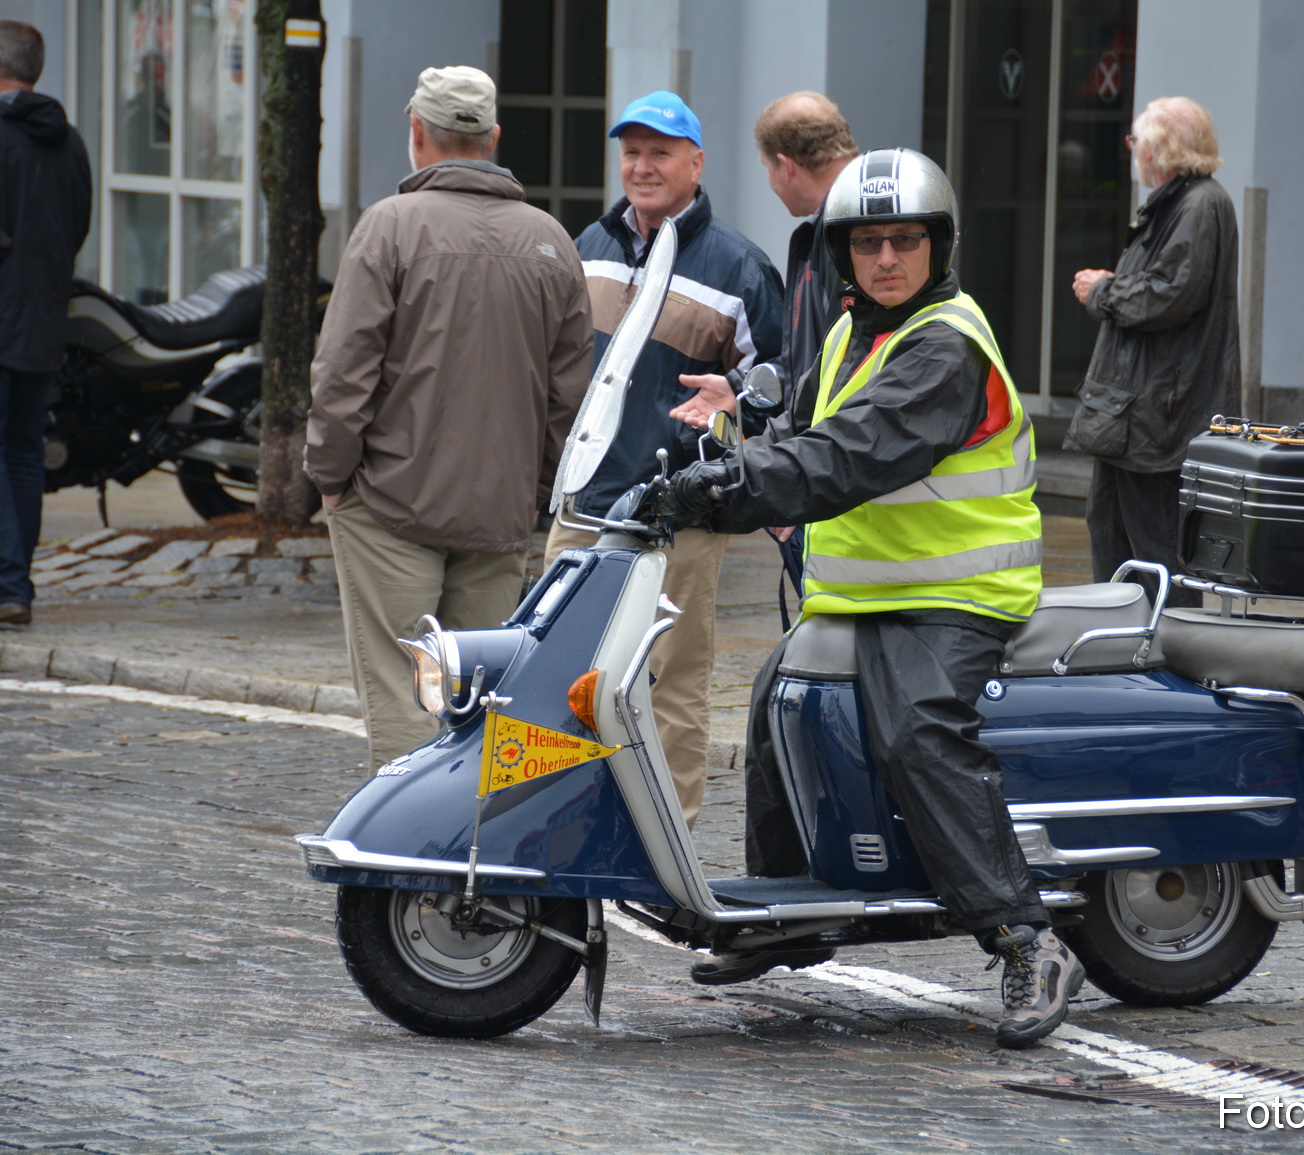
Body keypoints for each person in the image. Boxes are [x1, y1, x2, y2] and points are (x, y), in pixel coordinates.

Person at [658, 148, 1083, 1050]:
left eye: (905, 241)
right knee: (779, 701)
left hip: (957, 591)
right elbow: (809, 426)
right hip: (870, 591)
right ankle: (792, 910)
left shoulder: (944, 346)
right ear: (843, 255)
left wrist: (732, 491)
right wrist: (730, 432)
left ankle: (1024, 938)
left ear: (939, 246)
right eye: (868, 243)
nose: (886, 258)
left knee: (914, 726)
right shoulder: (861, 330)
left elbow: (851, 454)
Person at [306, 66, 592, 768]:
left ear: (416, 133)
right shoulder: (553, 241)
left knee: (405, 692)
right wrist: (536, 493)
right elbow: (570, 397)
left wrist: (329, 476)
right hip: (498, 510)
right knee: (485, 697)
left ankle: (406, 863)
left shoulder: (390, 227)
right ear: (493, 138)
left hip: (390, 501)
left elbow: (344, 371)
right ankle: (475, 855)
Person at [543, 91, 783, 828]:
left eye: (661, 153)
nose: (643, 167)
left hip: (679, 518)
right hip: (582, 508)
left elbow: (781, 388)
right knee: (557, 676)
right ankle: (559, 820)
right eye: (632, 152)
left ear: (696, 163)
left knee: (671, 681)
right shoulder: (591, 246)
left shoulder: (741, 267)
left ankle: (667, 831)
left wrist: (737, 402)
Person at [1064, 96, 1239, 611]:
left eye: (1136, 139)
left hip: (1159, 417)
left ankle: (1172, 660)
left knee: (1159, 550)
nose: (1131, 148)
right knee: (1113, 535)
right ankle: (1124, 649)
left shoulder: (1200, 204)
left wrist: (1103, 291)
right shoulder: (1180, 201)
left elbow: (1169, 296)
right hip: (1135, 417)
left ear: (1161, 150)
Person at [671, 90, 856, 430]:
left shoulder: (852, 233)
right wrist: (741, 388)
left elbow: (851, 373)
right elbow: (819, 363)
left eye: (766, 169)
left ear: (785, 167)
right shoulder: (845, 223)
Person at [0, 20, 91, 627]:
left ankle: (8, 584)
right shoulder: (69, 139)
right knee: (24, 452)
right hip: (43, 316)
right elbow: (78, 223)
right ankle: (16, 586)